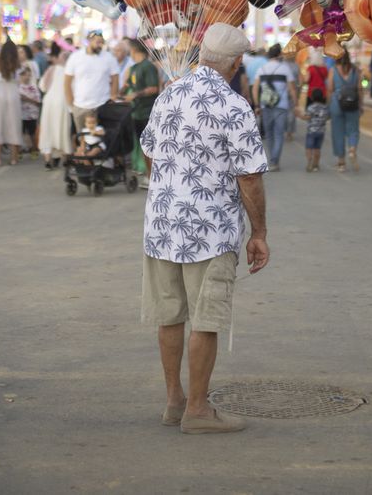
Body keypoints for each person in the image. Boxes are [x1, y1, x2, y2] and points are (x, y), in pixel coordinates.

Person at [139, 22, 269, 436]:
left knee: (170, 315)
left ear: (201, 56)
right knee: (205, 321)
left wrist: (167, 193)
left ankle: (174, 400)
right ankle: (197, 411)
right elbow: (249, 177)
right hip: (210, 232)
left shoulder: (168, 95)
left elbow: (150, 155)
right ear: (235, 64)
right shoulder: (234, 106)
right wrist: (259, 232)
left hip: (161, 228)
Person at [65, 29, 120, 141]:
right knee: (82, 139)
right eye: (97, 41)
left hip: (102, 105)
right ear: (89, 41)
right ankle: (84, 158)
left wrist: (113, 96)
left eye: (101, 42)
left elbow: (115, 78)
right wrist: (71, 103)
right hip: (80, 106)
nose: (100, 44)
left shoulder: (108, 57)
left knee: (101, 140)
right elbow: (67, 81)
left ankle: (100, 158)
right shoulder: (75, 57)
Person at [253, 45, 298, 171]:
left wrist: (257, 105)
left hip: (265, 105)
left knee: (269, 134)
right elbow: (292, 89)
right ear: (279, 55)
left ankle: (272, 159)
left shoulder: (261, 69)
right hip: (281, 106)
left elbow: (256, 88)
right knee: (279, 134)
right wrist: (296, 104)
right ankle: (274, 161)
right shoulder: (285, 69)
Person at [120, 38, 161, 158]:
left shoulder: (148, 66)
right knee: (142, 146)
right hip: (136, 113)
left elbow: (153, 88)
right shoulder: (134, 68)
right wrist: (119, 94)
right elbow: (127, 85)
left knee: (149, 148)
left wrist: (135, 94)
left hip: (147, 113)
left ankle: (150, 175)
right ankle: (146, 172)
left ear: (133, 50)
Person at [0, 40, 24, 166]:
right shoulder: (18, 65)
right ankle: (14, 158)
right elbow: (21, 82)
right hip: (13, 96)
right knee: (14, 125)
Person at [37, 47, 73, 169]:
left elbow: (42, 86)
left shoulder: (52, 69)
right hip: (64, 102)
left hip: (49, 102)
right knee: (63, 130)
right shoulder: (71, 72)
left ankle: (48, 160)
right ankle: (65, 157)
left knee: (48, 129)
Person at [328, 53, 363, 172]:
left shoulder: (333, 70)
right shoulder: (356, 70)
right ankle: (352, 149)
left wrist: (328, 106)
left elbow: (330, 89)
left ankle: (341, 163)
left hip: (337, 104)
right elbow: (359, 89)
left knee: (338, 132)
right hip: (353, 103)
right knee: (353, 129)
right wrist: (361, 105)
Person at [302, 88, 329, 172]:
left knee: (309, 148)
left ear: (312, 97)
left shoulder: (311, 107)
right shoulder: (325, 108)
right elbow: (327, 117)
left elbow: (307, 117)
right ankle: (316, 165)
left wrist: (300, 115)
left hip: (311, 131)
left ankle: (309, 160)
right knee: (317, 149)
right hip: (321, 131)